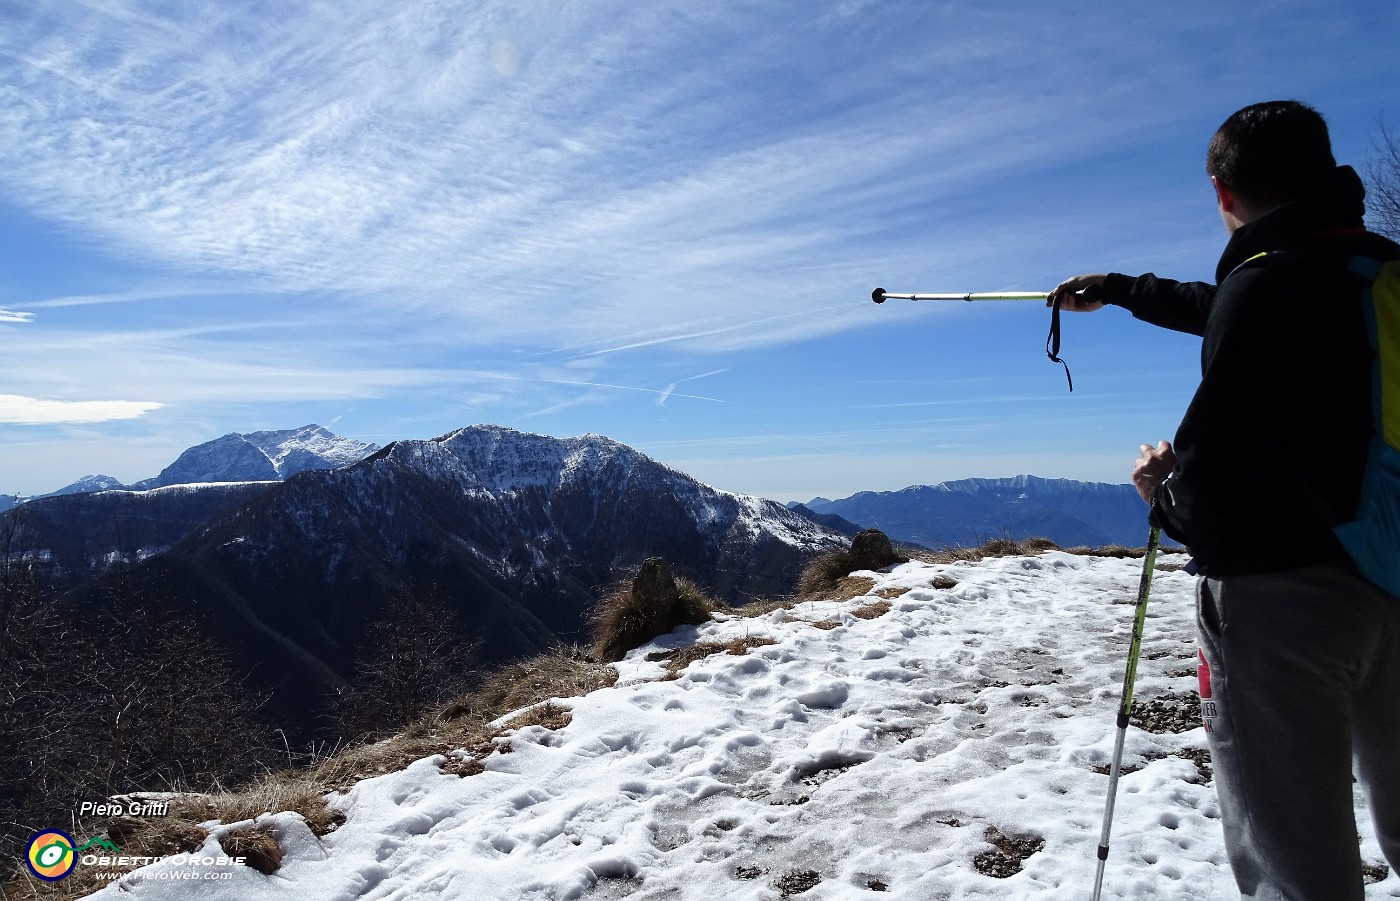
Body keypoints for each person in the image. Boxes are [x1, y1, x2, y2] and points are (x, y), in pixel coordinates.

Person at [1049, 100, 1400, 899]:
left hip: (1287, 602)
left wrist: (1161, 493)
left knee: (1296, 856)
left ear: (1222, 192)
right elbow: (1240, 310)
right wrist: (1122, 289)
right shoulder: (1375, 271)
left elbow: (1213, 477)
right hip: (1397, 570)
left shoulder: (1266, 286)